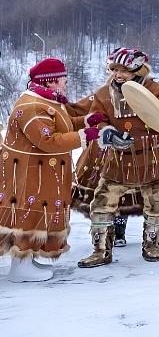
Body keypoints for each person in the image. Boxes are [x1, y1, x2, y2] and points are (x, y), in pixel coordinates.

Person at [0, 58, 109, 281]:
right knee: (28, 214)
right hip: (30, 174)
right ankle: (20, 267)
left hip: (41, 173)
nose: (66, 84)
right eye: (63, 80)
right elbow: (47, 139)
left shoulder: (45, 101)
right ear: (50, 82)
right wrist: (82, 136)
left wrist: (85, 121)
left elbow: (61, 124)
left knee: (38, 213)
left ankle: (27, 259)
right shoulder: (31, 107)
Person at [78, 48, 159, 268]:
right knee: (102, 204)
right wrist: (109, 133)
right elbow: (97, 120)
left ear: (138, 70)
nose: (118, 75)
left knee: (156, 203)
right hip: (118, 160)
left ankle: (152, 246)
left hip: (151, 158)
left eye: (124, 70)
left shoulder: (155, 90)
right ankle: (101, 250)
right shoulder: (103, 94)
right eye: (115, 70)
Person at [68, 94, 136, 248]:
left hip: (126, 148)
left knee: (123, 190)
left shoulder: (135, 95)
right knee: (97, 190)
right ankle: (100, 231)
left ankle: (119, 231)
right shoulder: (100, 96)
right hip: (99, 152)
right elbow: (75, 110)